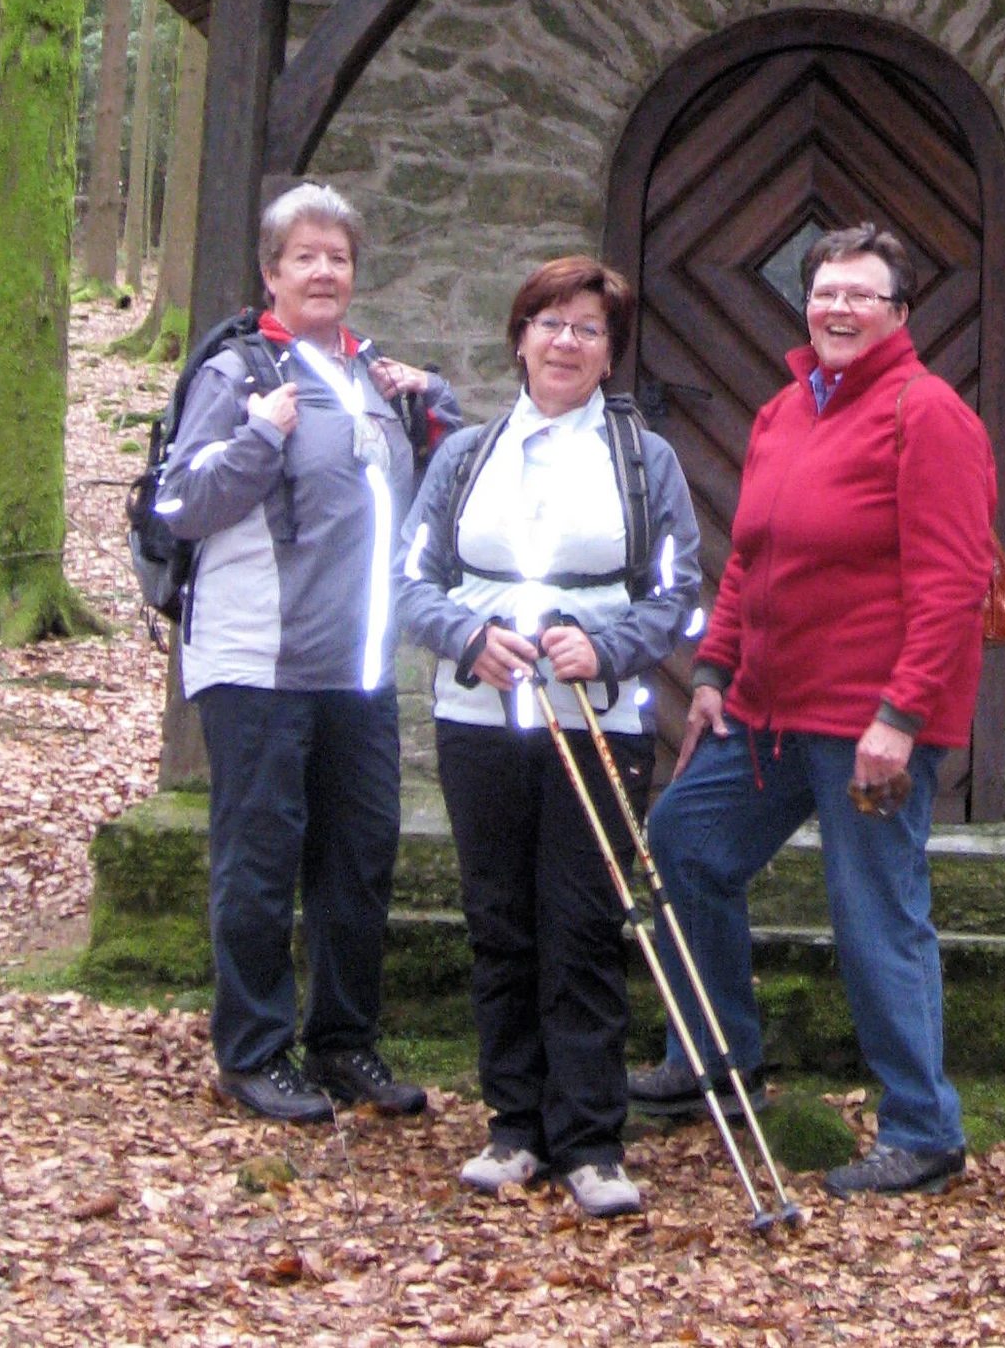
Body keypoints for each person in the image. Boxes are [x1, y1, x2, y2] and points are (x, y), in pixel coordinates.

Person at [628, 223, 995, 1199]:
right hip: (766, 712)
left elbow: (957, 579)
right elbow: (752, 556)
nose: (838, 309)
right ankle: (713, 1049)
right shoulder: (785, 411)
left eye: (861, 296)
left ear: (899, 313)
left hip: (871, 721)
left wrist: (902, 717)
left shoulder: (931, 415)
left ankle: (924, 1128)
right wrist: (712, 672)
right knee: (684, 843)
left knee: (874, 910)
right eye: (825, 292)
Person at [393, 255, 702, 1219]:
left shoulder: (645, 463)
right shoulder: (463, 457)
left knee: (583, 924)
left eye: (588, 330)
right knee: (500, 921)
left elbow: (680, 598)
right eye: (550, 324)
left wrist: (605, 646)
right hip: (478, 721)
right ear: (519, 339)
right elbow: (410, 583)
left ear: (611, 355)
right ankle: (512, 1127)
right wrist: (466, 637)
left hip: (596, 723)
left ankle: (591, 1140)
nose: (566, 343)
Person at [158, 183, 461, 1123]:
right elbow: (181, 502)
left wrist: (438, 409)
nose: (325, 271)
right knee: (259, 858)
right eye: (306, 257)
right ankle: (251, 1052)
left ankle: (342, 1045)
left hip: (358, 669)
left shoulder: (375, 375)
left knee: (358, 859)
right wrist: (258, 437)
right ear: (271, 272)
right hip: (259, 665)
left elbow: (421, 501)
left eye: (338, 257)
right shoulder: (239, 373)